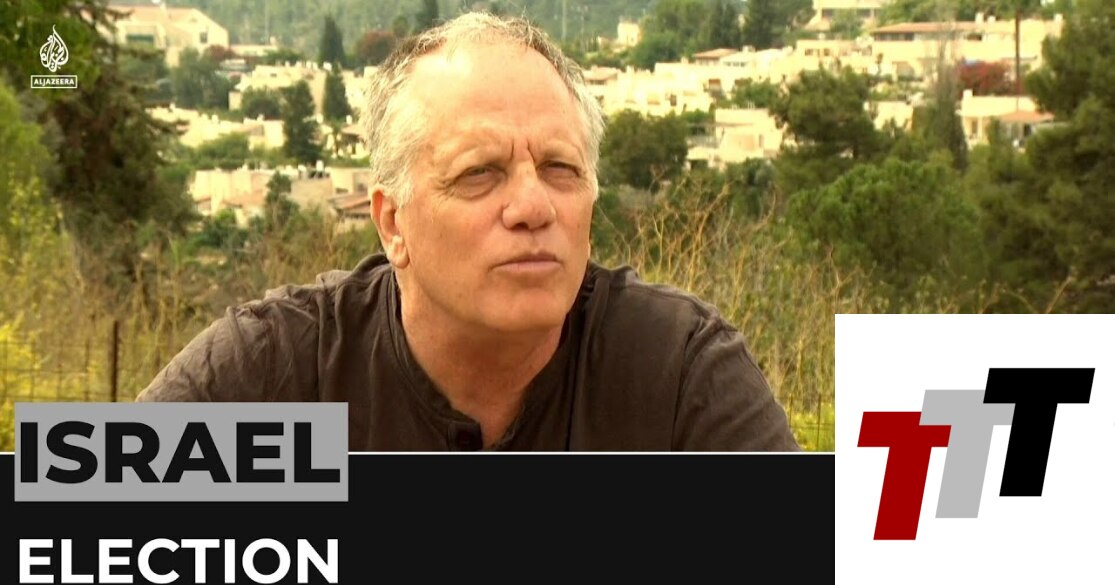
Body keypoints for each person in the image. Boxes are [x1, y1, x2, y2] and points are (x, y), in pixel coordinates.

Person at [137, 13, 801, 452]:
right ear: (392, 223)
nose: (532, 206)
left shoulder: (673, 370)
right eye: (480, 173)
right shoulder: (281, 370)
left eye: (561, 169)